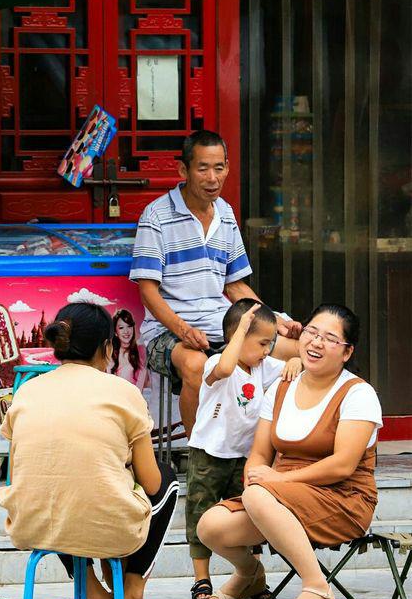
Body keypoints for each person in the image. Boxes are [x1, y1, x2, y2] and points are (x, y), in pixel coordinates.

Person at [197, 304, 382, 599]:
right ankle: (249, 573)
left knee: (257, 496)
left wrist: (274, 483)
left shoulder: (358, 394)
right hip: (279, 495)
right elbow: (259, 453)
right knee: (210, 526)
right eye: (311, 332)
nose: (316, 342)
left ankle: (317, 590)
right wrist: (256, 477)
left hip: (342, 498)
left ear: (347, 352)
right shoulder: (281, 387)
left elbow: (342, 466)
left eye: (330, 338)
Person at [0, 302, 179, 599]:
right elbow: (151, 485)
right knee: (166, 479)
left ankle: (94, 595)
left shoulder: (27, 392)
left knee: (58, 484)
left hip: (29, 521)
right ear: (108, 347)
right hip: (106, 523)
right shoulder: (123, 392)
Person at [129, 129, 302, 439]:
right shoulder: (155, 216)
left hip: (221, 326)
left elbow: (236, 287)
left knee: (296, 350)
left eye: (219, 167)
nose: (212, 178)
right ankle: (203, 456)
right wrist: (183, 330)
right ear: (184, 170)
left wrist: (274, 320)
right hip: (166, 333)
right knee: (196, 365)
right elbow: (147, 291)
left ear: (227, 168)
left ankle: (272, 445)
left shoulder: (225, 213)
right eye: (203, 168)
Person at [186, 299, 301, 599]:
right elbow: (225, 367)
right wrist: (241, 329)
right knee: (200, 511)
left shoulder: (262, 367)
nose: (267, 350)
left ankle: (253, 579)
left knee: (249, 515)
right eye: (262, 342)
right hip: (209, 452)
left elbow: (297, 361)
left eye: (270, 344)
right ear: (238, 336)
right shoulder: (215, 363)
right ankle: (202, 579)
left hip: (245, 457)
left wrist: (295, 362)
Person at [107, 308, 148, 389]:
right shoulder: (107, 355)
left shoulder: (140, 359)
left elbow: (139, 391)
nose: (126, 331)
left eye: (129, 326)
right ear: (115, 332)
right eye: (121, 327)